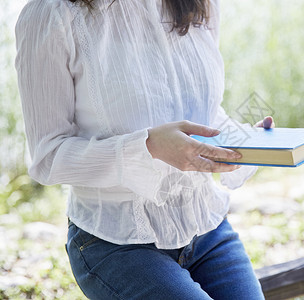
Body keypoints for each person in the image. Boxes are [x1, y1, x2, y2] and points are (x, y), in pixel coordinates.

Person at [15, 0, 274, 298]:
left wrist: (240, 141)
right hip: (114, 242)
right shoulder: (50, 14)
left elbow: (203, 112)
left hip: (207, 227)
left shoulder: (200, 3)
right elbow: (48, 157)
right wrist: (148, 148)